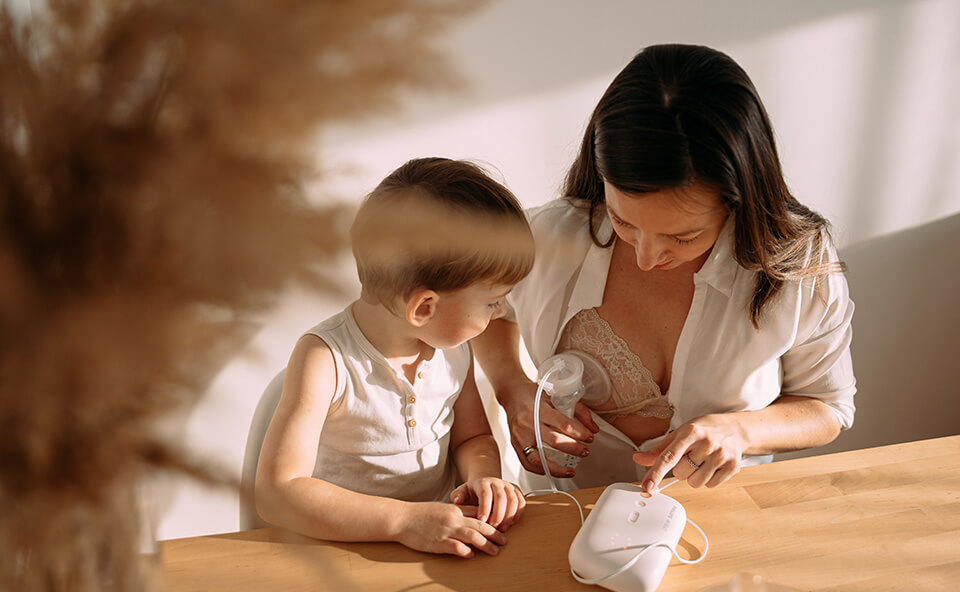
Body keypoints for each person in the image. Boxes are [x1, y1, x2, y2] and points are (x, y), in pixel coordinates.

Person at [472, 44, 856, 495]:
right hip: (562, 512)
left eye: (683, 236)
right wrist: (512, 387)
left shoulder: (798, 265)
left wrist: (741, 431)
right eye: (624, 222)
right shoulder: (544, 238)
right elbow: (486, 312)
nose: (646, 257)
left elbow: (828, 407)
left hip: (720, 517)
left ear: (739, 197)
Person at [255, 157, 535, 558]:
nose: (502, 311)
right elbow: (277, 493)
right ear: (424, 308)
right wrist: (404, 521)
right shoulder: (324, 359)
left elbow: (472, 437)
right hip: (346, 552)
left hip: (442, 542)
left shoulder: (453, 348)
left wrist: (485, 477)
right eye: (492, 302)